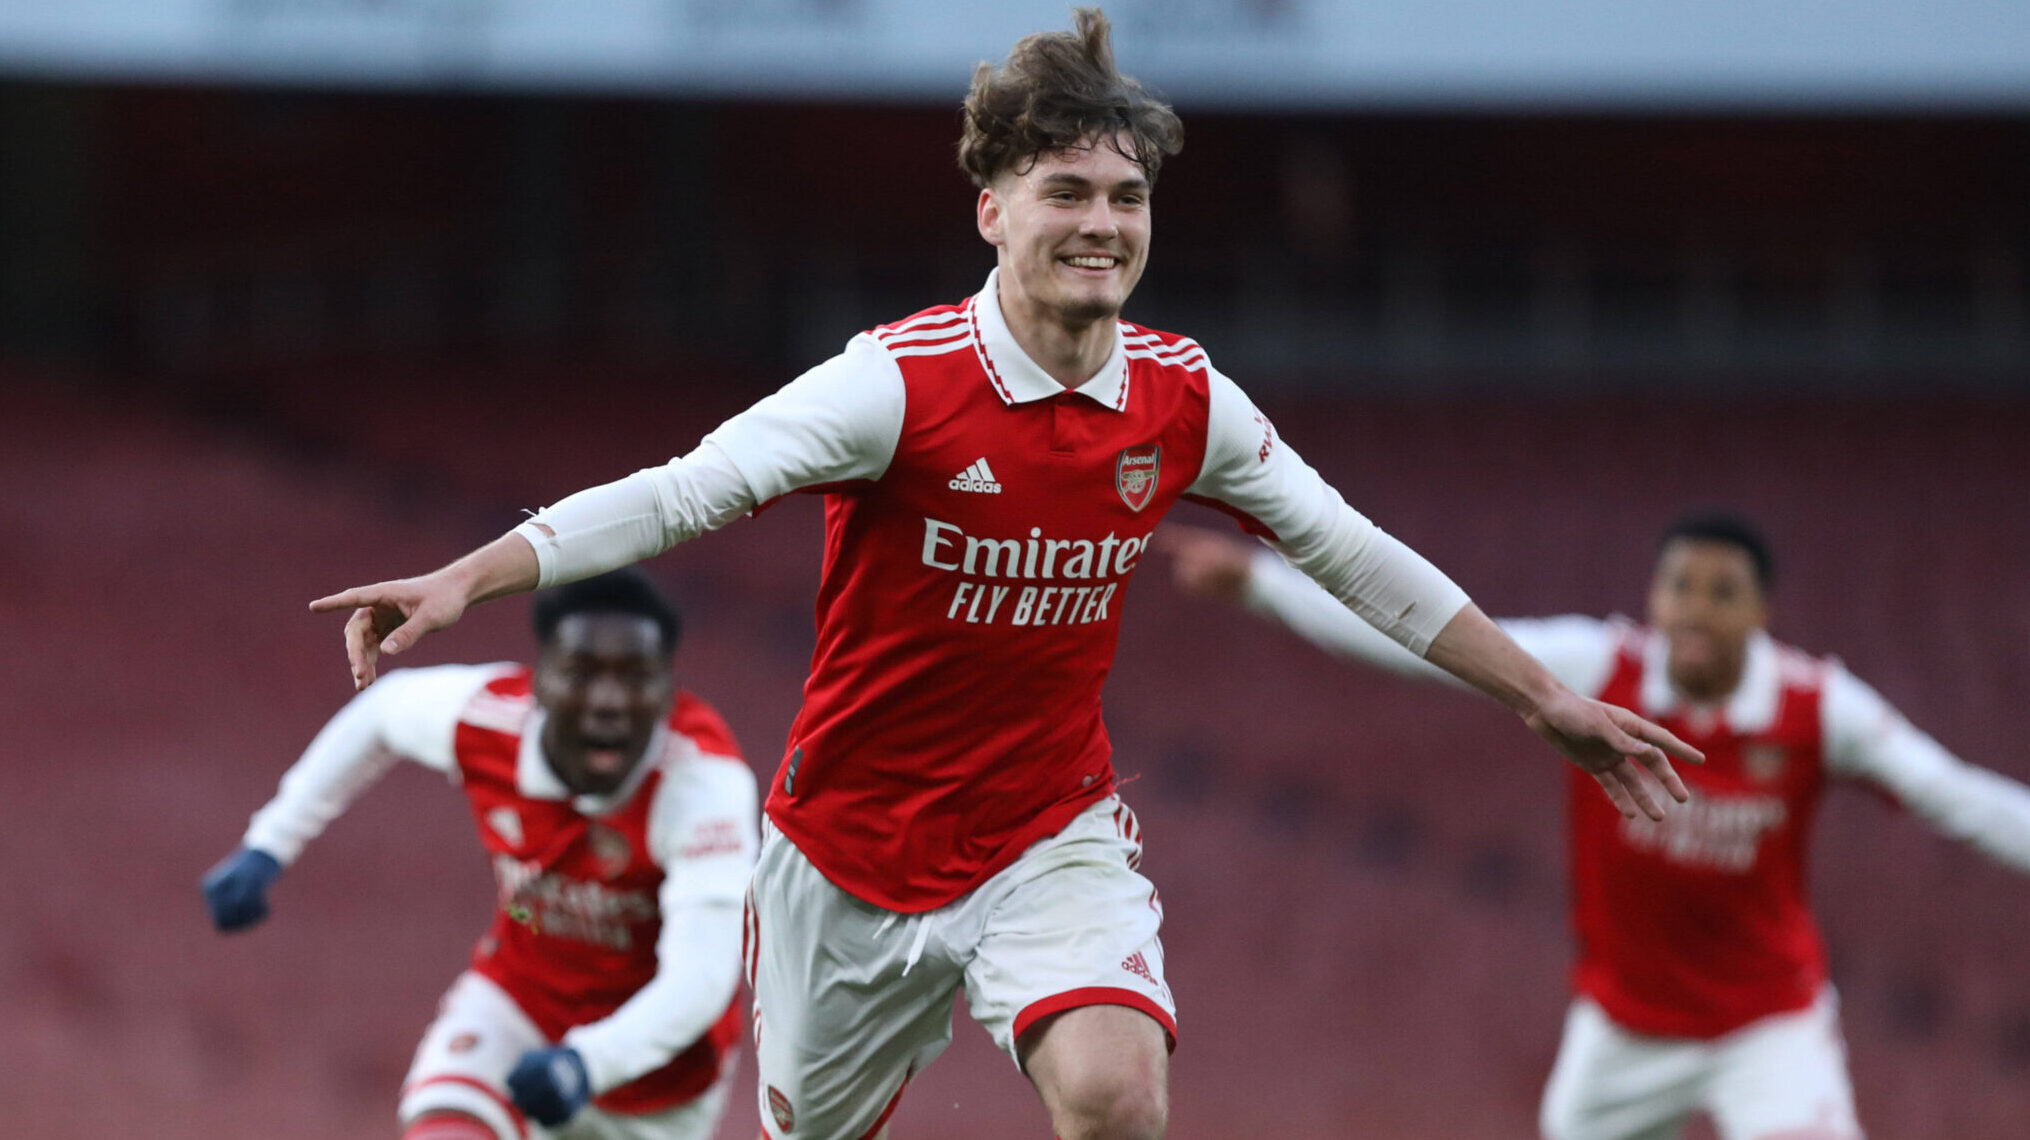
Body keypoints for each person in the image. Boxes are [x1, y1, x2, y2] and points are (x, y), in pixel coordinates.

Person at [305, 11, 1701, 1139]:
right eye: (1067, 193)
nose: (1103, 223)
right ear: (992, 210)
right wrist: (468, 580)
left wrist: (1533, 697)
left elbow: (1346, 550)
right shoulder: (893, 386)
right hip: (844, 853)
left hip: (1045, 832)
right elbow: (683, 492)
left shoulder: (1181, 399)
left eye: (1127, 196)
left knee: (1114, 1095)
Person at [1163, 512, 2030, 1140]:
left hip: (1767, 1024)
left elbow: (1954, 795)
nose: (1692, 609)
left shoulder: (1815, 705)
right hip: (1624, 1027)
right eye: (1677, 586)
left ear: (1761, 613)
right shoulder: (1601, 667)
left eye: (1720, 592)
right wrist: (1263, 588)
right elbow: (1425, 644)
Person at [202, 570, 757, 1140]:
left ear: (668, 691)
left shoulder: (701, 784)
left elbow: (703, 977)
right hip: (515, 1008)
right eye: (583, 673)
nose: (609, 702)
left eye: (637, 677)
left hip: (654, 1079)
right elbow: (382, 712)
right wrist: (270, 843)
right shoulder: (489, 720)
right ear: (539, 681)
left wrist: (587, 1061)